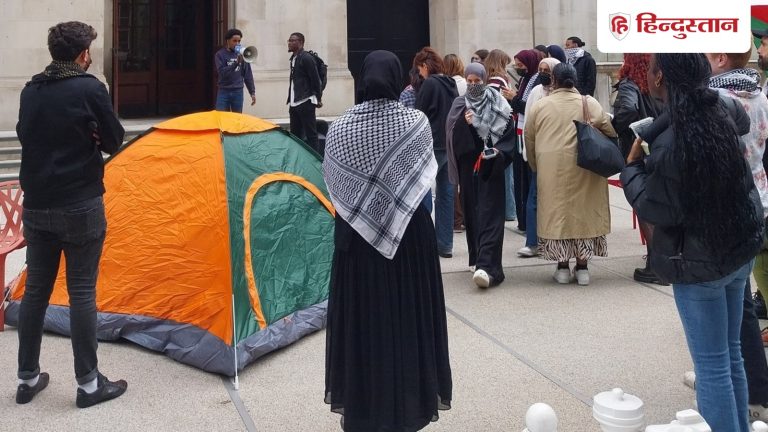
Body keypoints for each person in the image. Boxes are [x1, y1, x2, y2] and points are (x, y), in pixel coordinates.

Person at [621, 53, 763, 431]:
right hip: (736, 247)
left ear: (660, 78)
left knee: (713, 366)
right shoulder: (721, 111)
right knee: (730, 355)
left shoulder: (673, 139)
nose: (648, 75)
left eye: (652, 69)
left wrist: (632, 168)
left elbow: (658, 207)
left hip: (700, 261)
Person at [323, 50, 452, 431]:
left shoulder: (340, 127)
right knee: (408, 320)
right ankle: (409, 404)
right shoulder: (414, 122)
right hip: (410, 238)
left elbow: (335, 186)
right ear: (398, 79)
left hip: (357, 243)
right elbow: (422, 181)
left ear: (363, 79)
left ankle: (363, 407)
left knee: (363, 324)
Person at [15, 21, 127, 408]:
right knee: (81, 293)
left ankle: (27, 378)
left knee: (35, 293)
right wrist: (92, 134)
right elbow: (114, 139)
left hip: (37, 203)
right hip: (80, 202)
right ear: (83, 54)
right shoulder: (89, 88)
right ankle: (89, 385)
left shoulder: (31, 90)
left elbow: (26, 134)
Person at [702, 48, 768, 422]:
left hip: (730, 205)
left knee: (735, 310)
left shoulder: (719, 98)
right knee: (739, 303)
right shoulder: (757, 94)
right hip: (756, 197)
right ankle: (751, 386)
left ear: (722, 58)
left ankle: (752, 390)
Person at [525, 63, 616, 285]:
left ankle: (562, 267)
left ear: (553, 81)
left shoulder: (540, 106)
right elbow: (609, 130)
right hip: (586, 166)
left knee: (558, 216)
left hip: (552, 168)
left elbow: (529, 138)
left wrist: (536, 167)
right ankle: (583, 268)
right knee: (584, 214)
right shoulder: (589, 103)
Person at [446, 62, 515, 287]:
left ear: (485, 80)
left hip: (491, 169)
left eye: (478, 81)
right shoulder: (460, 105)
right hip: (469, 171)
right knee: (472, 215)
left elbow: (508, 136)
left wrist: (499, 152)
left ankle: (489, 266)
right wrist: (466, 125)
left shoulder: (499, 103)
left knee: (490, 215)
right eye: (470, 81)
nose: (474, 85)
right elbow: (454, 142)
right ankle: (477, 258)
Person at [611, 54, 664, 284]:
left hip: (638, 150)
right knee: (659, 206)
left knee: (643, 205)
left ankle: (656, 265)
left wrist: (613, 125)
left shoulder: (629, 84)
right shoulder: (659, 83)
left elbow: (628, 110)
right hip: (660, 146)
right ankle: (662, 259)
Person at [414, 47, 459, 258]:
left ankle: (424, 243)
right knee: (446, 195)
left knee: (423, 193)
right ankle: (445, 244)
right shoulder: (451, 83)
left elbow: (419, 114)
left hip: (431, 144)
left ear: (425, 65)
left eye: (419, 69)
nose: (419, 73)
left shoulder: (429, 84)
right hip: (449, 144)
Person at [518, 57, 560, 258]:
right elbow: (528, 123)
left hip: (559, 154)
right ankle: (532, 242)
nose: (543, 73)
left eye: (547, 70)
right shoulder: (536, 92)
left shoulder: (563, 92)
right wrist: (528, 152)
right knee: (534, 197)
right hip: (539, 153)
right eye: (541, 69)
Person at [509, 49, 542, 237]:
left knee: (529, 180)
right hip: (519, 132)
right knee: (520, 179)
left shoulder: (537, 82)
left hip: (528, 134)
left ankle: (530, 226)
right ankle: (523, 222)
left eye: (520, 65)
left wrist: (513, 99)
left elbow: (528, 108)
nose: (518, 68)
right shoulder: (525, 80)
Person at [484, 49, 518, 223]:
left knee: (502, 170)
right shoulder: (500, 81)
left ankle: (508, 209)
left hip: (495, 129)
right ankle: (510, 210)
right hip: (503, 128)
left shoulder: (492, 81)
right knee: (506, 170)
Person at [287, 32, 323, 154]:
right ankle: (298, 158)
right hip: (294, 102)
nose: (289, 43)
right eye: (289, 40)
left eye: (293, 40)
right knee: (295, 135)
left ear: (301, 43)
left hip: (305, 101)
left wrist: (318, 98)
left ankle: (315, 160)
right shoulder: (294, 58)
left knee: (311, 134)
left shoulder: (307, 58)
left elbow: (315, 80)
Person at [214, 28, 256, 113]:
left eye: (239, 41)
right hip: (224, 91)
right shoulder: (220, 55)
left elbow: (248, 74)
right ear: (228, 41)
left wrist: (252, 92)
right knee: (221, 116)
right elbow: (222, 73)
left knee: (237, 118)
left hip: (238, 91)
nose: (237, 43)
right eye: (234, 41)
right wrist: (236, 63)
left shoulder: (242, 55)